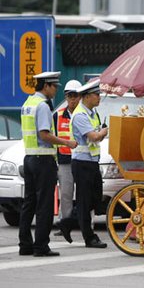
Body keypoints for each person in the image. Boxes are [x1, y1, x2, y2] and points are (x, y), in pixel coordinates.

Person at [18, 71, 77, 257]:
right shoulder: (42, 106)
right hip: (43, 160)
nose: (55, 91)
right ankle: (41, 246)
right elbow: (44, 134)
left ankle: (25, 244)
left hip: (29, 159)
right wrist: (66, 143)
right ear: (46, 86)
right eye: (54, 87)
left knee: (29, 202)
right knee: (44, 204)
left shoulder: (28, 103)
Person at [60, 79, 108, 248]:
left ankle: (68, 222)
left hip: (93, 162)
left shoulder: (93, 113)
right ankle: (89, 237)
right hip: (82, 163)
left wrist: (100, 132)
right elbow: (94, 137)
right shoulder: (80, 115)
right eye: (96, 95)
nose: (99, 97)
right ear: (87, 97)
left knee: (95, 200)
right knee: (85, 200)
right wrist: (104, 131)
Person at [54, 80, 82, 237]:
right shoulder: (57, 116)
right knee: (65, 194)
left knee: (84, 193)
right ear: (65, 97)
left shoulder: (87, 113)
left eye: (75, 95)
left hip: (83, 159)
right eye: (69, 96)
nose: (72, 99)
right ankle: (64, 224)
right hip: (65, 160)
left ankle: (86, 224)